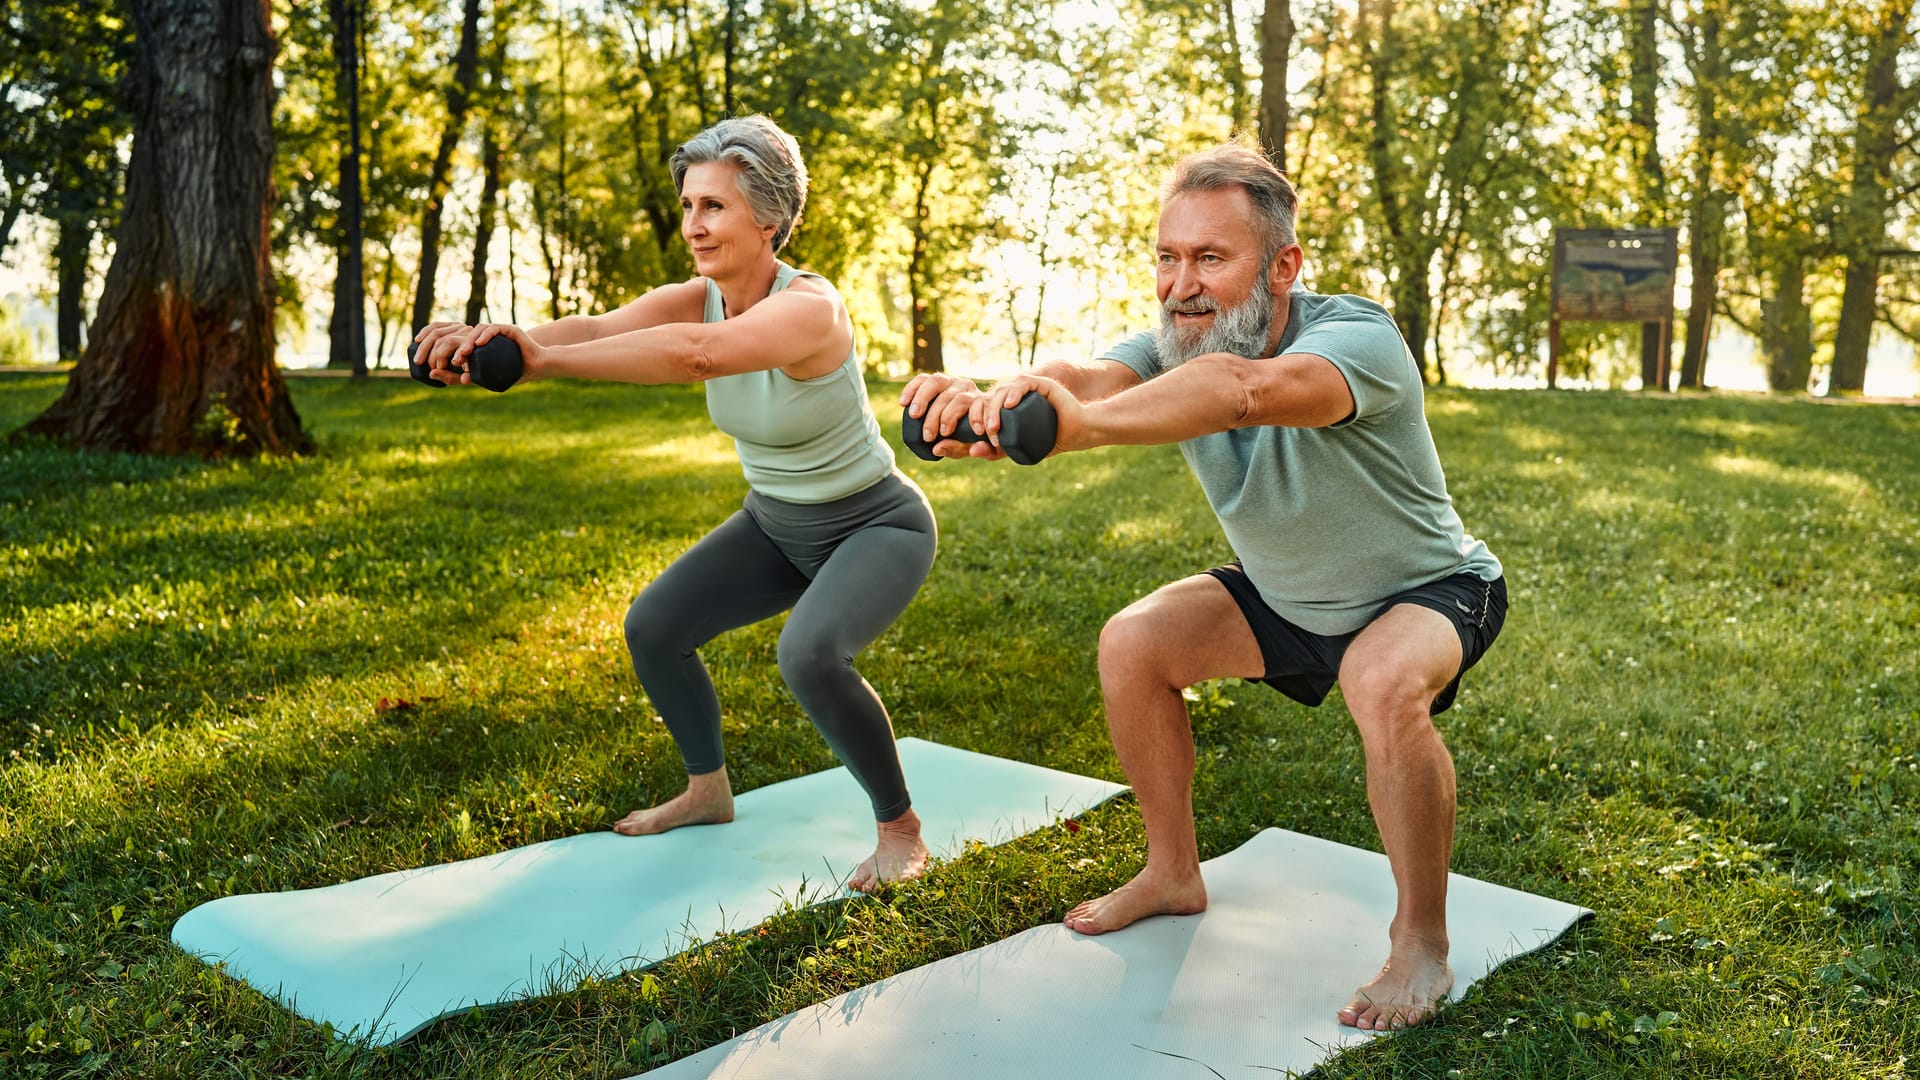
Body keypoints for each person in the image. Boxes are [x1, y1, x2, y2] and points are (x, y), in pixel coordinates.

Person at [902, 143, 1507, 1028]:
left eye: (1211, 258)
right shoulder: (1170, 342)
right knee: (1134, 642)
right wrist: (1000, 401)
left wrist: (1081, 430)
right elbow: (1087, 378)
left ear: (1283, 266)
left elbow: (1239, 393)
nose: (1181, 283)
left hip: (1428, 589)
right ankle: (1173, 871)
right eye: (1168, 256)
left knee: (1376, 681)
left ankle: (1421, 940)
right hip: (1289, 596)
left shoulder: (1357, 339)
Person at [415, 116, 936, 892]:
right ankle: (707, 790)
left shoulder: (811, 309)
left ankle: (901, 830)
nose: (694, 225)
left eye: (715, 207)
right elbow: (599, 324)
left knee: (810, 653)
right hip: (776, 522)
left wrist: (544, 363)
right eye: (689, 206)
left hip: (874, 522)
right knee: (656, 626)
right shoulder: (700, 295)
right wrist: (499, 337)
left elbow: (701, 358)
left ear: (769, 218)